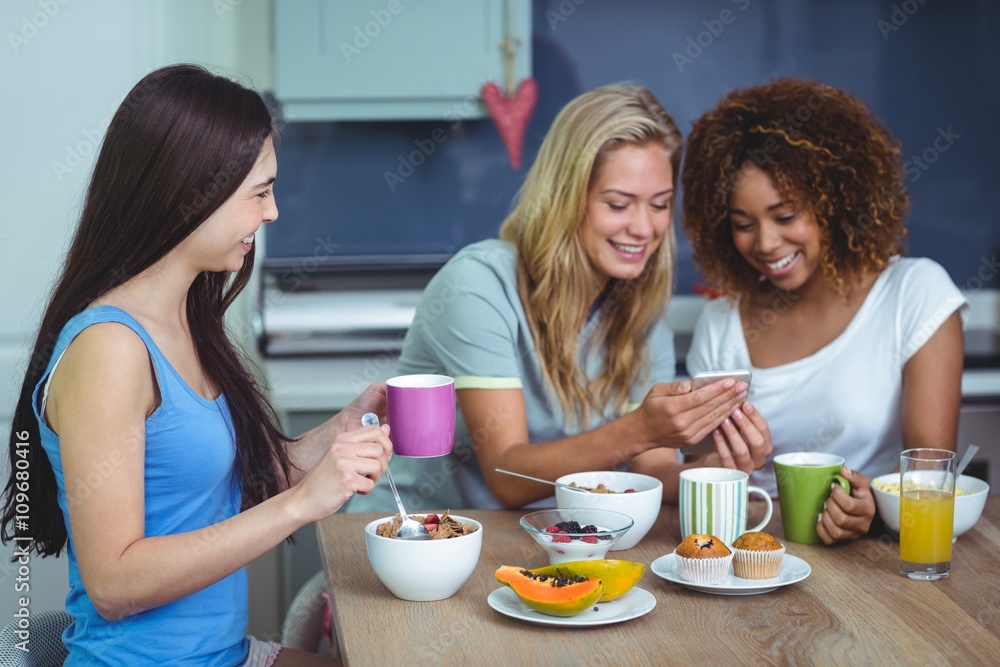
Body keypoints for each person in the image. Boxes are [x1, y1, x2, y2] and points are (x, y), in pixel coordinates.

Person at [0, 64, 392, 666]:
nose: (273, 213)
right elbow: (113, 585)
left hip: (224, 655)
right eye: (259, 192)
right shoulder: (109, 351)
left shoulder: (186, 322)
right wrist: (301, 503)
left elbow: (215, 488)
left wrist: (341, 431)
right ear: (192, 192)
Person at [394, 83, 761, 511]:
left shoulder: (641, 315)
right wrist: (639, 429)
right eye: (619, 204)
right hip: (412, 536)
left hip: (533, 542)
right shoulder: (478, 286)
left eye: (659, 205)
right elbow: (508, 476)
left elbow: (653, 471)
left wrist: (721, 469)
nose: (644, 229)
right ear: (566, 199)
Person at [667, 77, 967, 544]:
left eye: (785, 217)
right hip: (753, 552)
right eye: (743, 224)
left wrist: (877, 507)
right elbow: (702, 474)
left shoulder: (915, 292)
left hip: (872, 561)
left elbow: (929, 469)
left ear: (836, 201)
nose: (766, 243)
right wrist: (732, 464)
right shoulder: (723, 324)